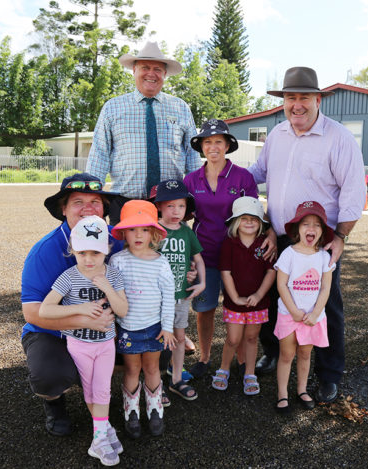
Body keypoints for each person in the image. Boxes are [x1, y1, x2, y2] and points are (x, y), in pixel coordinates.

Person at [249, 66, 366, 403]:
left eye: (303, 98)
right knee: (274, 299)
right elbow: (257, 174)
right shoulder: (277, 135)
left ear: (317, 99)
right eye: (290, 98)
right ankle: (274, 351)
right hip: (279, 234)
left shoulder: (339, 138)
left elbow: (353, 191)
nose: (296, 105)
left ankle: (328, 374)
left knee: (326, 304)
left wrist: (341, 236)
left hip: (319, 240)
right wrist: (219, 172)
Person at [21, 173, 124, 437]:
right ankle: (54, 402)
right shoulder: (45, 250)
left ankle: (122, 391)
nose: (88, 208)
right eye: (78, 201)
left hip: (106, 326)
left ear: (104, 209)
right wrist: (84, 320)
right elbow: (32, 313)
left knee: (158, 348)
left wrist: (187, 271)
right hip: (52, 331)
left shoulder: (115, 239)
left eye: (95, 202)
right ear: (63, 208)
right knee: (49, 376)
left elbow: (146, 264)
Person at [39, 215, 128, 465]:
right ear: (73, 251)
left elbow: (122, 309)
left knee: (102, 389)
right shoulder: (68, 277)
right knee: (90, 389)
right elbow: (46, 310)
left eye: (95, 253)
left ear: (107, 250)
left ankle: (100, 435)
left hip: (106, 344)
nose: (89, 260)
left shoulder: (114, 274)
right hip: (79, 344)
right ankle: (101, 434)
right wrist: (80, 310)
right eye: (82, 253)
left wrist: (107, 287)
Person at [85, 41, 202, 222]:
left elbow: (192, 157)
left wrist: (198, 199)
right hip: (124, 204)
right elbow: (99, 155)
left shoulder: (181, 108)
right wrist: (90, 199)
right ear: (134, 70)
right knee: (123, 251)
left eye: (157, 69)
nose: (151, 74)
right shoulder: (112, 108)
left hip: (170, 207)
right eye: (145, 67)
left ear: (164, 74)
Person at [183, 119, 258, 379]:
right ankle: (204, 358)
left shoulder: (243, 177)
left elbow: (252, 218)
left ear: (227, 145)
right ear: (201, 147)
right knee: (204, 310)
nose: (213, 147)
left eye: (218, 141)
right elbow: (183, 218)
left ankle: (238, 359)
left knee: (236, 308)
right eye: (207, 142)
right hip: (203, 255)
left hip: (237, 257)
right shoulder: (191, 180)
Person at [110, 200, 176, 438]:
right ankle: (131, 410)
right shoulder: (117, 261)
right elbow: (112, 295)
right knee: (131, 368)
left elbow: (169, 297)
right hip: (128, 329)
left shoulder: (161, 263)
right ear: (123, 233)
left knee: (151, 367)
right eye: (132, 229)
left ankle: (155, 408)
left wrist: (167, 328)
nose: (138, 235)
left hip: (154, 328)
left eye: (144, 229)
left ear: (153, 233)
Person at [273, 201, 334, 414]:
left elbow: (326, 287)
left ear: (322, 231)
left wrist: (316, 313)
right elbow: (281, 284)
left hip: (312, 317)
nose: (311, 229)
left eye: (317, 225)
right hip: (289, 315)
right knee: (287, 354)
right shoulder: (289, 253)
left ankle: (301, 390)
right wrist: (294, 311)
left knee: (305, 354)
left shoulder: (324, 257)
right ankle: (282, 393)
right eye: (306, 223)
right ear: (298, 229)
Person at [212, 197, 276, 395]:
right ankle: (223, 369)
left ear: (260, 223)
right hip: (234, 304)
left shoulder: (264, 244)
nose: (249, 222)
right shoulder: (229, 244)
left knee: (251, 337)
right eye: (244, 218)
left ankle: (250, 373)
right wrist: (234, 297)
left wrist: (258, 294)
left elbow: (271, 272)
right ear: (235, 222)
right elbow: (225, 273)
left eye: (254, 219)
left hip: (258, 303)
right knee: (232, 338)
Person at [154, 179, 206, 402]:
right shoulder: (153, 230)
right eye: (170, 206)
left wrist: (202, 282)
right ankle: (154, 384)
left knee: (180, 336)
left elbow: (198, 259)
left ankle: (176, 379)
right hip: (156, 298)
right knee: (156, 340)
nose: (176, 211)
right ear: (159, 206)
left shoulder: (187, 232)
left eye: (181, 206)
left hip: (180, 296)